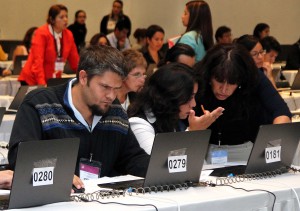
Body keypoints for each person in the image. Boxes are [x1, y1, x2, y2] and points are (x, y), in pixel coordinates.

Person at [8, 45, 149, 190]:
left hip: (99, 201)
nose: (111, 96)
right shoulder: (39, 104)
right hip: (54, 202)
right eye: (105, 87)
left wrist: (163, 168)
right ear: (83, 77)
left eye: (116, 88)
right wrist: (58, 174)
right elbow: (20, 158)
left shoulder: (115, 110)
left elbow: (132, 158)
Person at [194, 44, 291, 163]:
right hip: (203, 150)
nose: (224, 89)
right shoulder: (197, 79)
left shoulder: (254, 77)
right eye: (219, 80)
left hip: (246, 149)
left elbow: (281, 111)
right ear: (209, 75)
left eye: (232, 82)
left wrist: (272, 142)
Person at [128, 63, 224, 154]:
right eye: (189, 97)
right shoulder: (138, 123)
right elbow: (159, 164)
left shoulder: (170, 119)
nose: (193, 104)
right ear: (169, 96)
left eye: (194, 97)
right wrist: (192, 132)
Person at [18, 4, 79, 85]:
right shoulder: (41, 33)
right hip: (32, 79)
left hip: (52, 79)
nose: (65, 20)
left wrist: (84, 75)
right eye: (61, 17)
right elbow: (37, 62)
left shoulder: (68, 35)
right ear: (52, 19)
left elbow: (75, 61)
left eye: (66, 16)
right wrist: (42, 84)